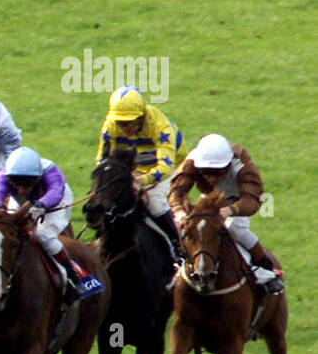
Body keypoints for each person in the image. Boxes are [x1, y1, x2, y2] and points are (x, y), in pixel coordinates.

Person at [170, 134, 284, 294]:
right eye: (206, 173)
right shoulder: (192, 162)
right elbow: (176, 191)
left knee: (234, 227)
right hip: (212, 198)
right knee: (191, 227)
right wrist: (179, 211)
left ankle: (262, 267)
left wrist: (230, 210)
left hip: (238, 201)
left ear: (228, 165)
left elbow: (252, 199)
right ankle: (179, 265)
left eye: (218, 173)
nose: (211, 178)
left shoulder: (242, 167)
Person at [0, 146, 99, 302]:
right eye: (17, 183)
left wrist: (41, 205)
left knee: (43, 234)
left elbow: (55, 191)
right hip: (24, 203)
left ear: (37, 177)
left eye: (28, 184)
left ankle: (74, 276)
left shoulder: (50, 171)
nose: (22, 189)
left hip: (56, 200)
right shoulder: (5, 174)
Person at [96, 86, 186, 250]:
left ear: (142, 115)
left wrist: (141, 181)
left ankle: (178, 246)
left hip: (168, 168)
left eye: (130, 123)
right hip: (134, 167)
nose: (125, 128)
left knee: (156, 203)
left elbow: (165, 167)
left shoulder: (160, 126)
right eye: (121, 123)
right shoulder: (110, 126)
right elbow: (103, 160)